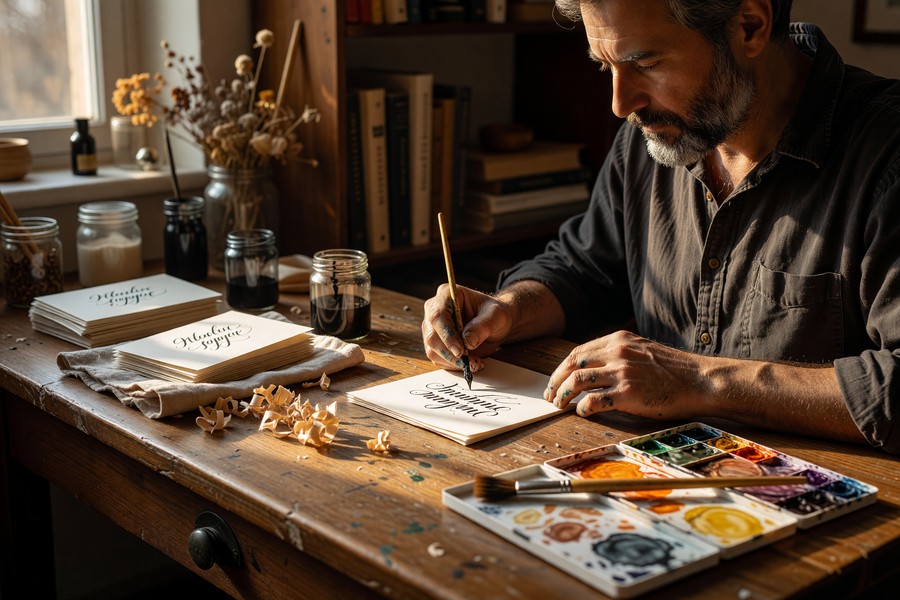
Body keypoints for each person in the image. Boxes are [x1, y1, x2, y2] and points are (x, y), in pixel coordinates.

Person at [421, 0, 900, 453]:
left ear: (749, 26)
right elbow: (587, 268)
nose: (620, 103)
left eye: (645, 63)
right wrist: (507, 310)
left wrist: (699, 381)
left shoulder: (887, 157)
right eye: (605, 66)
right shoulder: (656, 133)